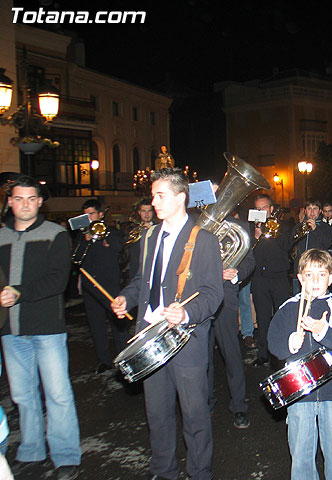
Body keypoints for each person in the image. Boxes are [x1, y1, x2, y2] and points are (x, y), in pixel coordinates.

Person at [111, 168, 224, 480]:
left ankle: (201, 472)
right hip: (149, 337)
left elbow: (214, 294)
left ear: (180, 198)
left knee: (195, 416)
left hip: (186, 341)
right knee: (157, 415)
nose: (153, 201)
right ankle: (164, 472)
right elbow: (141, 281)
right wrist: (125, 298)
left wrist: (186, 313)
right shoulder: (149, 237)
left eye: (159, 195)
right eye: (152, 195)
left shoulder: (203, 240)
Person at [0, 175, 81, 480]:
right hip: (10, 330)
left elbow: (58, 280)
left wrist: (18, 291)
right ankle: (31, 451)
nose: (25, 204)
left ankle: (66, 455)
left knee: (57, 394)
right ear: (10, 201)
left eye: (32, 199)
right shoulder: (0, 236)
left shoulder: (55, 234)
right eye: (19, 198)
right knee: (22, 395)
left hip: (47, 327)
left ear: (40, 201)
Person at [267, 248, 332, 480]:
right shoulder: (288, 309)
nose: (315, 281)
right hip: (299, 393)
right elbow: (273, 344)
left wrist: (324, 332)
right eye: (309, 275)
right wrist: (290, 343)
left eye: (321, 275)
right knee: (301, 459)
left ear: (331, 279)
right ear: (300, 278)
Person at [207, 213, 254, 428]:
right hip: (199, 298)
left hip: (225, 298)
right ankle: (206, 403)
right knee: (201, 357)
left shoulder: (239, 227)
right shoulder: (195, 225)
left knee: (232, 354)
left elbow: (249, 262)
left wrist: (236, 274)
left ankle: (239, 406)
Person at [74, 199, 128, 374]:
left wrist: (105, 238)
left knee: (118, 325)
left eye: (91, 213)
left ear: (100, 214)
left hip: (110, 285)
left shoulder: (112, 231)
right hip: (91, 287)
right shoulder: (82, 235)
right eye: (86, 214)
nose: (89, 218)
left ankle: (123, 359)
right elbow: (76, 258)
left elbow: (120, 247)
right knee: (96, 325)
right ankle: (104, 360)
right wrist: (85, 240)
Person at [251, 194, 292, 367]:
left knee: (281, 315)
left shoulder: (283, 226)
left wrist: (271, 234)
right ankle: (263, 353)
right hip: (259, 278)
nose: (261, 211)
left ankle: (282, 352)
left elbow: (287, 246)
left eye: (264, 208)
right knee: (262, 317)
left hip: (279, 277)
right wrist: (255, 237)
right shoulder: (250, 228)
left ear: (271, 209)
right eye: (258, 208)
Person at [291, 200, 332, 295]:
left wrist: (315, 230)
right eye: (309, 209)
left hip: (317, 271)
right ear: (305, 211)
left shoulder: (325, 228)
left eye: (315, 209)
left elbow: (327, 244)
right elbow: (291, 244)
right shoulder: (298, 227)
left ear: (320, 211)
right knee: (298, 302)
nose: (312, 212)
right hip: (299, 271)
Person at [126, 198, 155, 283]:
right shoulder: (132, 230)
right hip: (136, 271)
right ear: (139, 212)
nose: (146, 214)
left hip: (153, 270)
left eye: (149, 211)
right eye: (143, 211)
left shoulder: (159, 228)